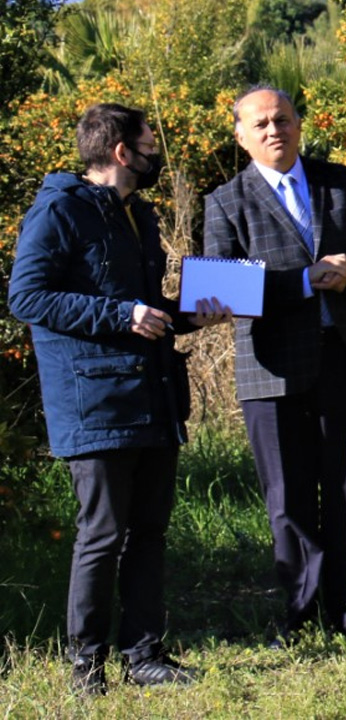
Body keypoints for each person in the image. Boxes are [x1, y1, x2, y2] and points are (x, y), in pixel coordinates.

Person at [7, 102, 233, 695]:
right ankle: (88, 666)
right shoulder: (58, 210)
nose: (157, 152)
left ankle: (145, 655)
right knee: (102, 534)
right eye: (150, 143)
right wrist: (121, 314)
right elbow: (27, 297)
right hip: (95, 402)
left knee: (149, 532)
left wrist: (191, 315)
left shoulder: (140, 214)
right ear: (120, 152)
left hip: (152, 395)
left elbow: (145, 307)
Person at [202, 86, 346, 643]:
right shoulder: (225, 201)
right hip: (269, 369)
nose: (275, 131)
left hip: (345, 356)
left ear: (300, 125)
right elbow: (222, 289)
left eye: (284, 120)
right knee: (287, 498)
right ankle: (300, 615)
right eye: (261, 124)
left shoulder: (340, 180)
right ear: (241, 137)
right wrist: (301, 281)